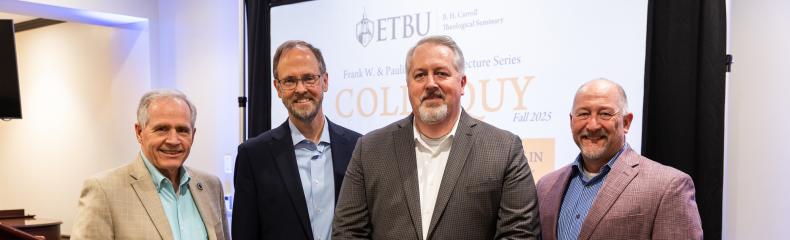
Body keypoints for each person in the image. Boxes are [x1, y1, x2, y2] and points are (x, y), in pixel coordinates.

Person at [332, 35, 541, 240]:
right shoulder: (369, 149)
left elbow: (520, 234)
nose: (430, 84)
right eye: (420, 75)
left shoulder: (504, 149)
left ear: (462, 83)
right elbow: (348, 233)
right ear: (409, 85)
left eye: (441, 73)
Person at [536, 79, 703, 240]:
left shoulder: (668, 186)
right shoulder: (546, 186)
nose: (593, 125)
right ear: (571, 121)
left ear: (627, 122)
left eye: (605, 114)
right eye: (584, 114)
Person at [232, 40, 361, 240]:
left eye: (309, 78)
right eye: (290, 81)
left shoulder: (358, 148)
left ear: (324, 81)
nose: (300, 89)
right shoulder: (253, 156)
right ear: (278, 87)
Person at [71, 90, 229, 240]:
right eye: (162, 129)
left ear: (193, 135)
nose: (173, 140)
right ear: (139, 132)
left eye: (182, 130)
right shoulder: (104, 191)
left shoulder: (211, 187)